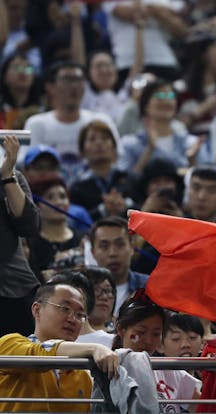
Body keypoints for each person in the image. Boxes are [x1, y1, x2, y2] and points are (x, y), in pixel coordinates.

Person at [0, 282, 119, 412]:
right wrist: (95, 348)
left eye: (79, 315)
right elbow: (40, 352)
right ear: (37, 310)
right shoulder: (9, 343)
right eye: (64, 309)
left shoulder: (83, 376)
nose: (72, 319)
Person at [23, 60, 119, 184]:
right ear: (50, 87)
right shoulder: (37, 124)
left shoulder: (101, 120)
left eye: (79, 80)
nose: (74, 85)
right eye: (67, 80)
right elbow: (24, 164)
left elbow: (116, 159)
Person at [113, 290, 201, 412]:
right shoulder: (109, 366)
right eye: (141, 332)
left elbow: (204, 407)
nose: (149, 341)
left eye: (156, 334)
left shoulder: (171, 371)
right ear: (121, 330)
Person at [0, 135, 40, 337]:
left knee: (22, 361)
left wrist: (7, 174)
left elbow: (29, 226)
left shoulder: (10, 176)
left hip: (13, 289)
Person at [69, 120, 138, 221]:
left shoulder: (132, 179)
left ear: (114, 147)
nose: (99, 143)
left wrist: (127, 205)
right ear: (82, 150)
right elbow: (76, 219)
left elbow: (144, 207)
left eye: (105, 138)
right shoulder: (77, 188)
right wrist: (102, 210)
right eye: (92, 139)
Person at [27, 173, 86, 281]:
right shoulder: (30, 243)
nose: (59, 202)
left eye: (63, 197)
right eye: (50, 197)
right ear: (36, 205)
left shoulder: (83, 238)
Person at [89, 216, 149, 315]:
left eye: (120, 244)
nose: (112, 253)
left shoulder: (149, 288)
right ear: (93, 252)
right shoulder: (83, 292)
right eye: (104, 246)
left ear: (132, 248)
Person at [75, 266, 116, 347]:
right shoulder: (64, 337)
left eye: (108, 291)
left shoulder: (120, 339)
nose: (104, 297)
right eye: (96, 290)